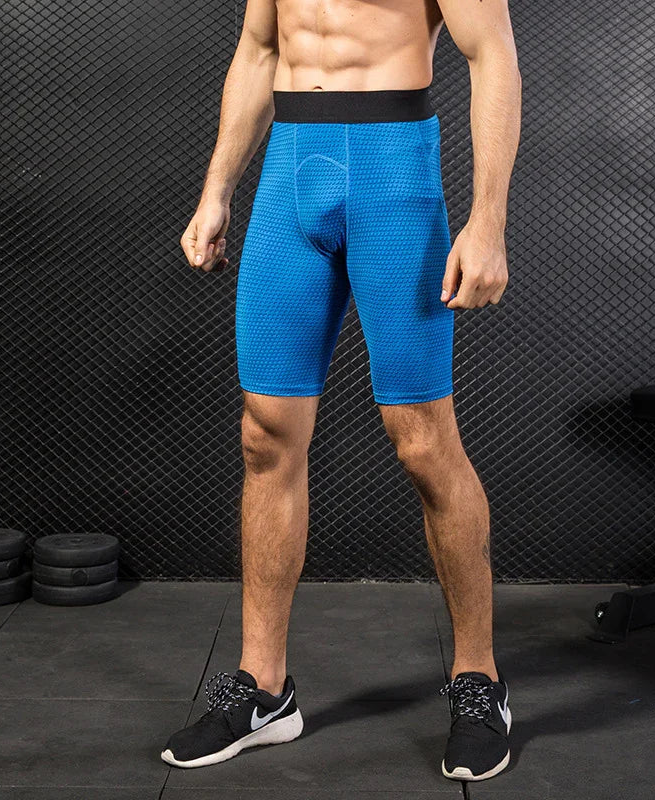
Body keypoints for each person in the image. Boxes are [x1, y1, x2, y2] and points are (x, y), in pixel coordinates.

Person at [162, 0, 522, 783]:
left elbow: (491, 52)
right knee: (264, 435)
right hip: (291, 172)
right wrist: (218, 186)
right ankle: (264, 689)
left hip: (393, 173)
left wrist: (488, 219)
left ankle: (479, 681)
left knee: (423, 440)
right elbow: (259, 49)